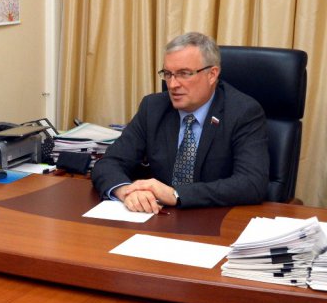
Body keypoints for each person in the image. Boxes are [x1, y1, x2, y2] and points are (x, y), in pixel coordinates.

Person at [91, 32, 269, 213]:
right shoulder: (153, 108)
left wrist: (177, 194)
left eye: (184, 74)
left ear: (212, 74)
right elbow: (108, 163)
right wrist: (126, 191)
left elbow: (252, 183)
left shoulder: (243, 112)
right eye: (168, 74)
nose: (172, 84)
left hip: (214, 218)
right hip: (159, 216)